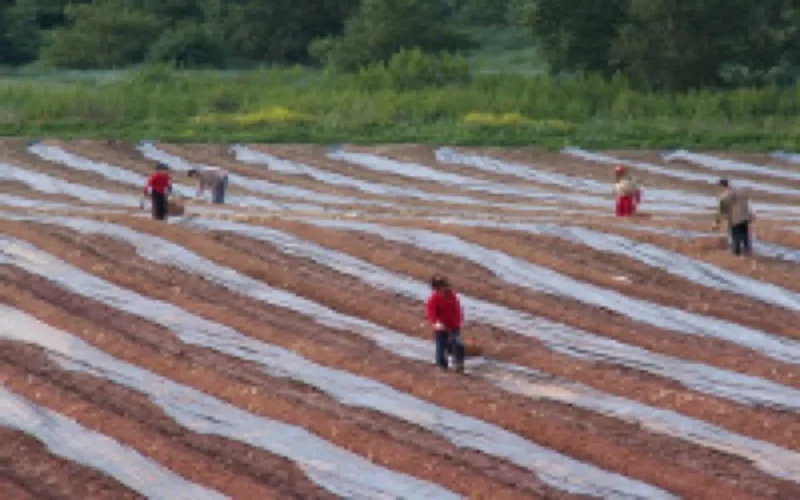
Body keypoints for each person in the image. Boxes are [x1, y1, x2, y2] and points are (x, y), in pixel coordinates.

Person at [425, 275, 465, 372]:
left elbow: (457, 309)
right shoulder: (433, 300)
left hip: (454, 326)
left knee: (458, 344)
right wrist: (436, 323)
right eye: (440, 288)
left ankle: (458, 364)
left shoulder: (452, 296)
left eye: (444, 286)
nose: (443, 289)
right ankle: (441, 365)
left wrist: (459, 321)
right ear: (436, 289)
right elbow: (431, 314)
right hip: (441, 328)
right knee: (441, 347)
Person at [713, 178, 754, 256]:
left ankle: (737, 255)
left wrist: (716, 223)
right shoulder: (739, 192)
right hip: (745, 217)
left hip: (735, 219)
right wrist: (750, 214)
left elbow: (720, 211)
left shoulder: (723, 196)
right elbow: (747, 203)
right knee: (745, 237)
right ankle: (748, 252)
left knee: (736, 238)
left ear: (721, 186)